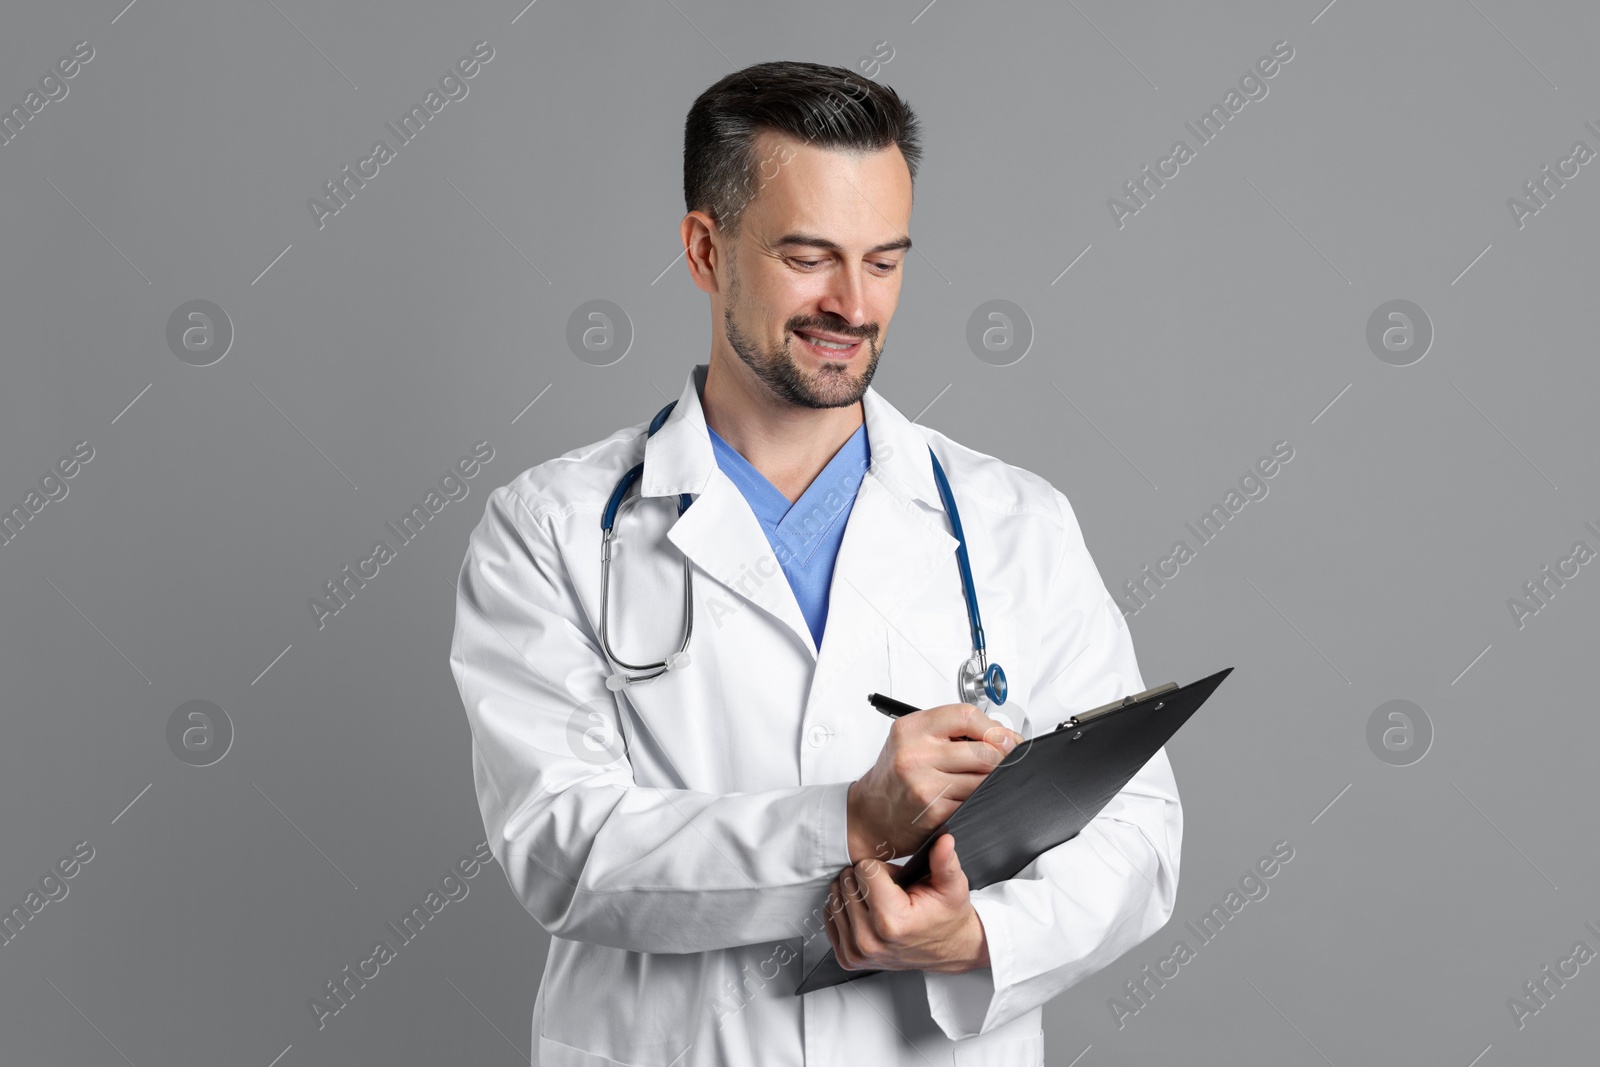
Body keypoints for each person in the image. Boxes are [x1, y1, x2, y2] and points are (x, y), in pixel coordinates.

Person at [449, 59, 1181, 1067]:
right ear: (707, 250)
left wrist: (972, 939)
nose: (853, 302)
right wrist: (849, 819)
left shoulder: (1013, 522)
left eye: (884, 261)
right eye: (809, 256)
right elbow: (562, 848)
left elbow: (1137, 834)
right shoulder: (553, 527)